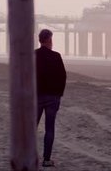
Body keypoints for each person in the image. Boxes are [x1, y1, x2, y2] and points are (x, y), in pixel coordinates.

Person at [35, 29, 66, 168]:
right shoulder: (56, 56)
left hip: (36, 96)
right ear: (48, 40)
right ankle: (46, 159)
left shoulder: (33, 55)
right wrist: (59, 94)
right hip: (52, 97)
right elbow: (62, 76)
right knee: (49, 129)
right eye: (51, 39)